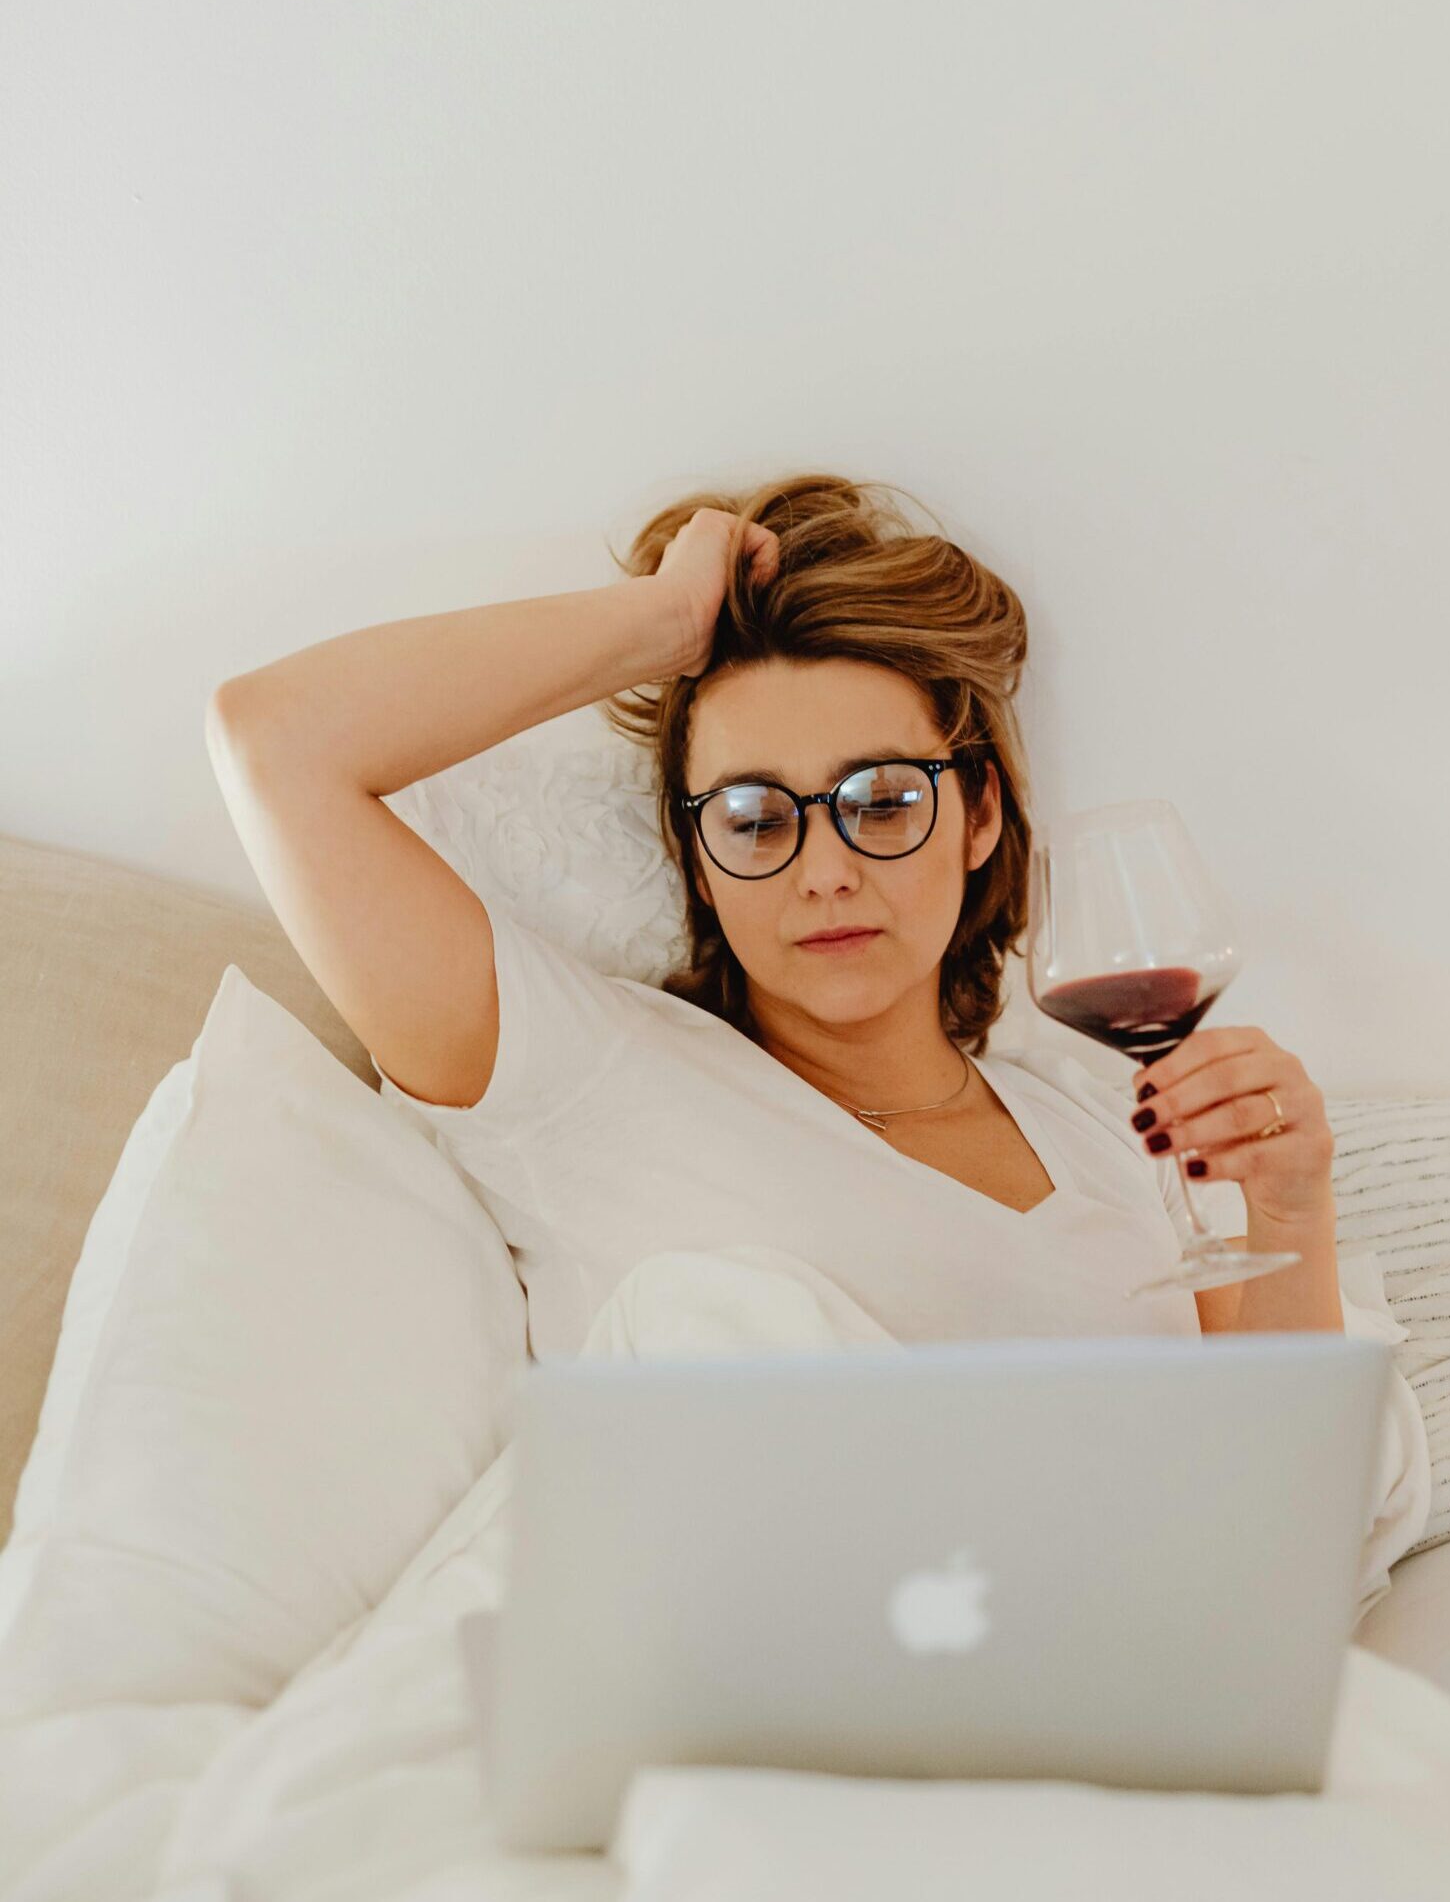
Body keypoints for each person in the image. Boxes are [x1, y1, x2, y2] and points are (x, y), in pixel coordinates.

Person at [206, 470, 1351, 1355]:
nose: (826, 870)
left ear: (981, 815)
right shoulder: (587, 1076)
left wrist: (1290, 1203)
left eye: (882, 801)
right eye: (757, 819)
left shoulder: (1111, 1133)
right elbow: (278, 744)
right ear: (698, 862)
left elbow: (1286, 1492)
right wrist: (664, 627)